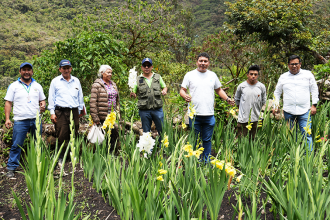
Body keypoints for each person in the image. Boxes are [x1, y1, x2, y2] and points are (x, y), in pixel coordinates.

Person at [180, 52, 235, 163]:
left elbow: (218, 90)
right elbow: (182, 90)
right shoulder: (189, 75)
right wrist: (184, 95)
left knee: (207, 139)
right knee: (194, 140)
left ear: (209, 63)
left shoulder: (212, 75)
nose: (203, 63)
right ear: (197, 62)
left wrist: (227, 99)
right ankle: (195, 162)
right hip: (194, 115)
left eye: (205, 61)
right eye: (201, 61)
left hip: (209, 114)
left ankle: (206, 161)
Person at [4, 62, 46, 178]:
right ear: (20, 71)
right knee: (17, 144)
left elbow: (42, 100)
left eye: (29, 70)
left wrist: (43, 105)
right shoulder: (13, 86)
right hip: (20, 120)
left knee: (38, 143)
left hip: (35, 119)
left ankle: (39, 166)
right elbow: (8, 103)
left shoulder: (37, 86)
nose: (26, 72)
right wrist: (7, 119)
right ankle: (11, 168)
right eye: (24, 70)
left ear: (32, 72)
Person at [273, 55, 319, 150]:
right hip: (288, 111)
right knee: (290, 135)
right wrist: (275, 105)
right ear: (288, 65)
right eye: (292, 64)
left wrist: (314, 105)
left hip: (305, 110)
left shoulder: (308, 74)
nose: (294, 66)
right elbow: (277, 92)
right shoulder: (283, 77)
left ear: (300, 64)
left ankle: (308, 158)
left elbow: (314, 89)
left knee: (307, 134)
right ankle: (292, 156)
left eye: (296, 64)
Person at [48, 60, 85, 164]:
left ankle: (72, 155)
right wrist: (52, 112)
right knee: (61, 133)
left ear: (71, 69)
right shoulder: (55, 81)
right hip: (61, 111)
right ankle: (60, 157)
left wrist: (80, 110)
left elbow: (80, 96)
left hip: (74, 111)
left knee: (74, 132)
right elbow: (51, 97)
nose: (66, 70)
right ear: (60, 69)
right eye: (63, 68)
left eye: (68, 68)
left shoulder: (76, 80)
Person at [130, 58, 168, 145]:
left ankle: (161, 149)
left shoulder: (158, 77)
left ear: (152, 67)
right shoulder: (138, 79)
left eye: (148, 65)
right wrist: (133, 94)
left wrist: (164, 91)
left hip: (157, 108)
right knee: (146, 132)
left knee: (161, 129)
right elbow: (134, 93)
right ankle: (148, 150)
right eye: (144, 66)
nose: (146, 67)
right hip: (144, 110)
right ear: (141, 67)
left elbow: (164, 87)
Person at [90, 65, 120, 147]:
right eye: (108, 72)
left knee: (113, 136)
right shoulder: (97, 85)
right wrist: (95, 118)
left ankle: (111, 156)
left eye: (111, 73)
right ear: (102, 73)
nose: (110, 74)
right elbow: (93, 102)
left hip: (112, 116)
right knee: (102, 138)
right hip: (102, 116)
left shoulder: (113, 84)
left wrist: (118, 113)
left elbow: (117, 100)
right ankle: (102, 157)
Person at [234, 65, 266, 139]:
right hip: (243, 119)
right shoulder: (241, 86)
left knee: (253, 141)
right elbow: (237, 99)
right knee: (241, 140)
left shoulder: (261, 87)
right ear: (247, 75)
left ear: (258, 75)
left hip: (256, 118)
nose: (253, 76)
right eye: (251, 74)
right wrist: (242, 110)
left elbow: (263, 101)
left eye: (255, 74)